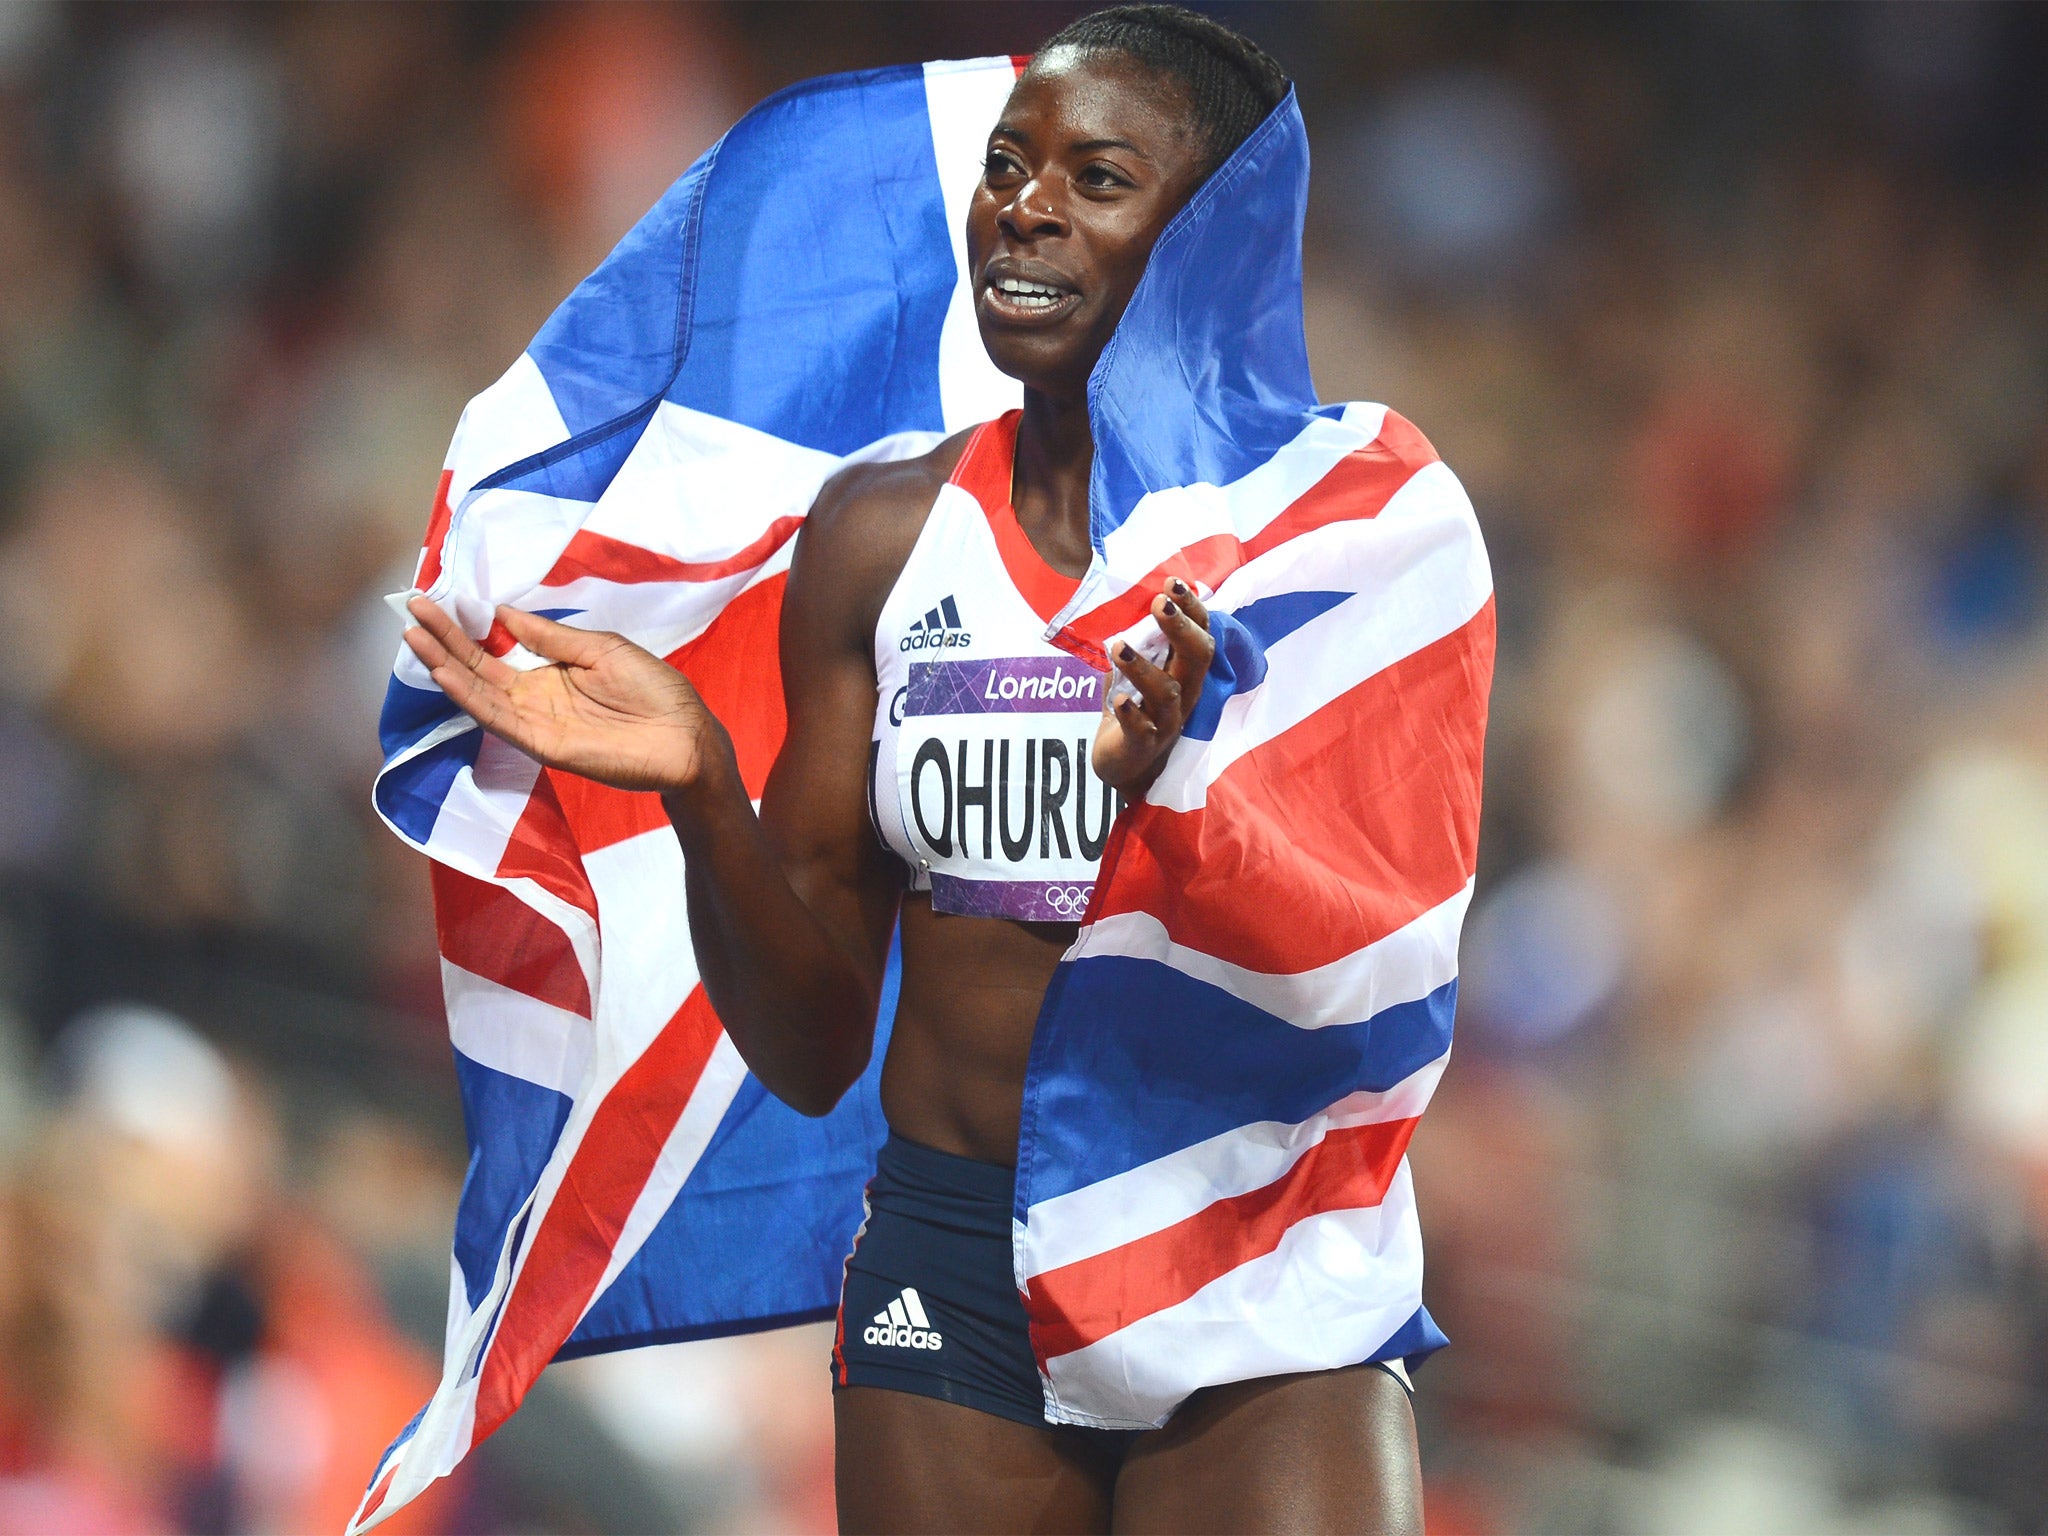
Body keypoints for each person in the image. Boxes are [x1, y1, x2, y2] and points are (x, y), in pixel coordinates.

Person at [402, 8, 1424, 1531]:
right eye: (1010, 165)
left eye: (1097, 177)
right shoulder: (879, 540)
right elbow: (814, 1046)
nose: (1024, 202)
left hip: (1252, 1250)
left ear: (1212, 231)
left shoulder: (1364, 525)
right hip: (954, 1260)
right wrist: (698, 789)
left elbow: (1372, 982)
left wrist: (1171, 807)